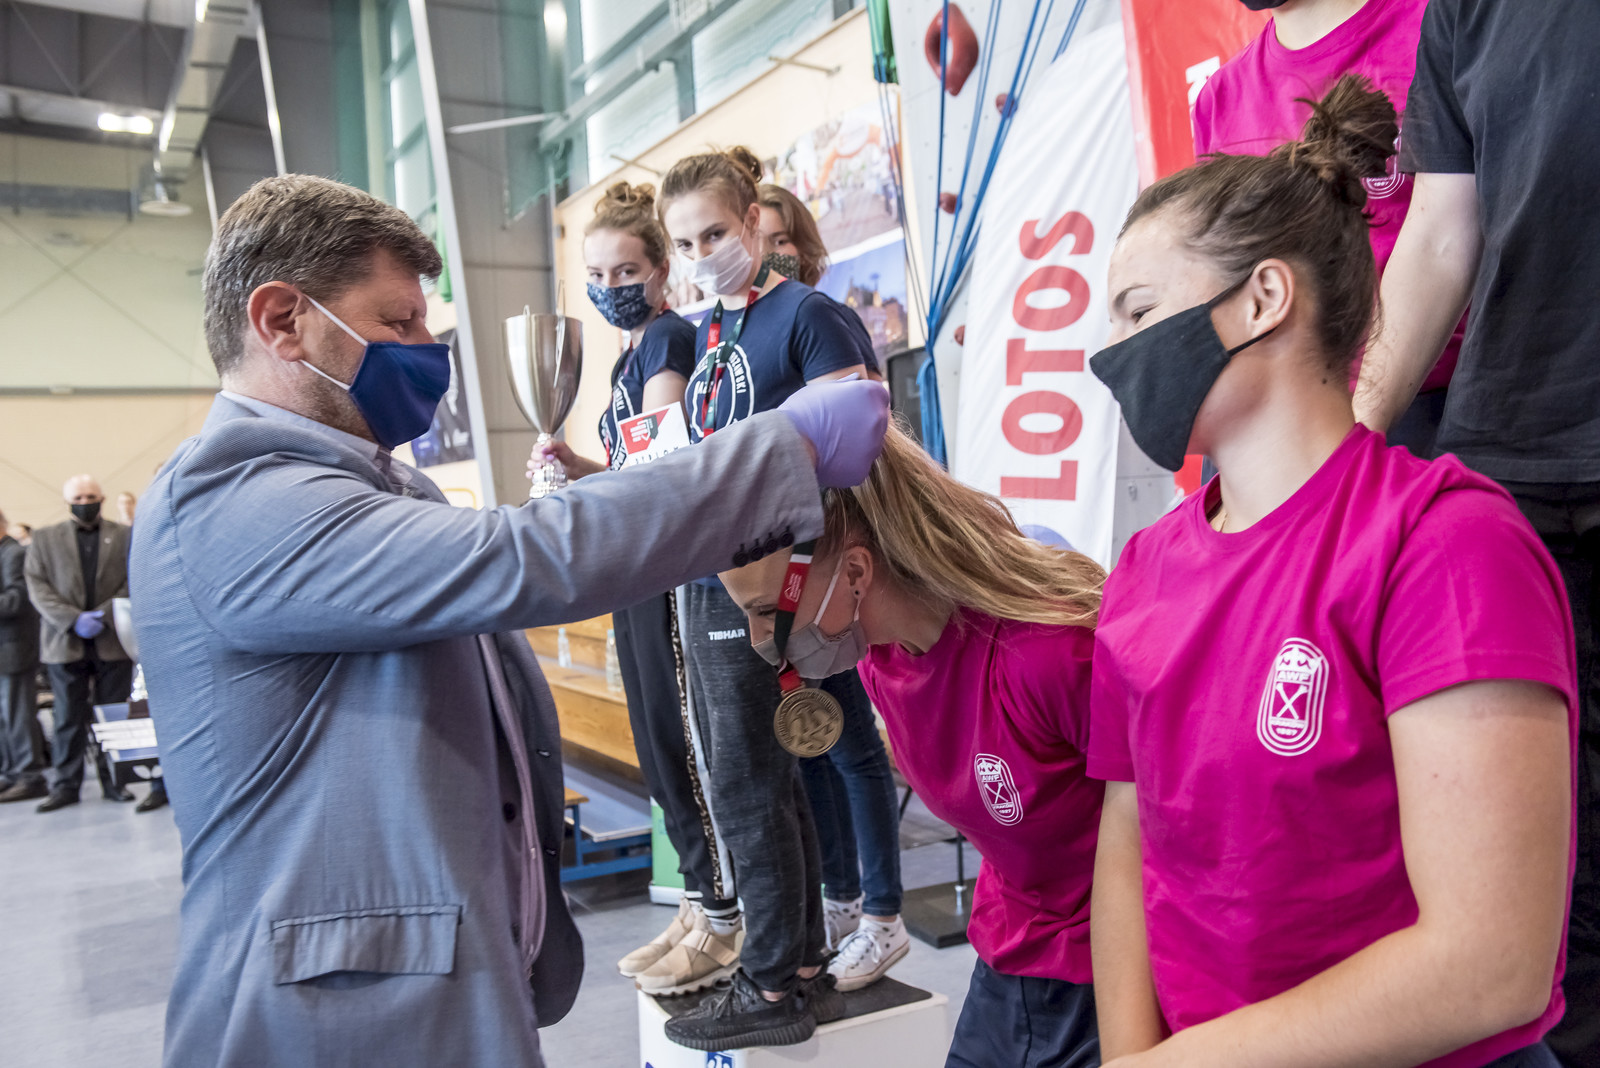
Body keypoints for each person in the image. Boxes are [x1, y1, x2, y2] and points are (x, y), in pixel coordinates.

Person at [127, 174, 888, 1068]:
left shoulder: (374, 483)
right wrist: (785, 447)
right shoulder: (232, 495)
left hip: (426, 982)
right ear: (283, 321)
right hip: (331, 1016)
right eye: (398, 322)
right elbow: (521, 559)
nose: (427, 351)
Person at [1087, 78, 1574, 1067]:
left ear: (1263, 298)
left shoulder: (1441, 543)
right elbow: (1129, 842)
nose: (1114, 355)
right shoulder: (1144, 571)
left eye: (1139, 310)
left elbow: (1490, 962)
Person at [1351, 5, 1600, 1061]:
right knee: (1551, 865)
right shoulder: (1461, 10)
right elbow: (1440, 229)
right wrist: (1344, 441)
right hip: (1511, 451)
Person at [719, 425, 1105, 1068]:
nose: (761, 639)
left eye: (767, 610)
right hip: (1014, 948)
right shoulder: (884, 664)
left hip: (1112, 966)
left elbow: (1180, 837)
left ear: (856, 571)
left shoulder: (1048, 653)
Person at [654, 145, 882, 1051]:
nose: (700, 254)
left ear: (754, 223)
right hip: (714, 569)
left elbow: (857, 441)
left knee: (750, 784)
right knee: (757, 780)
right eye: (683, 243)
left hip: (776, 578)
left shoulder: (808, 315)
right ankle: (795, 963)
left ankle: (770, 982)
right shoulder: (711, 330)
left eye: (714, 233)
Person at [535, 180, 743, 996]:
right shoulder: (627, 357)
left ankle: (725, 915)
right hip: (635, 563)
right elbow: (628, 466)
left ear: (661, 270)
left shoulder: (667, 339)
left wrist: (600, 490)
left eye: (626, 271)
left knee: (684, 744)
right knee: (658, 749)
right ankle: (699, 901)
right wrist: (578, 468)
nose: (610, 287)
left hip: (670, 572)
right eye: (596, 274)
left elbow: (658, 461)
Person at [755, 179, 906, 982]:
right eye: (758, 239)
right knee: (810, 745)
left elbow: (864, 437)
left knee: (851, 746)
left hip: (832, 551)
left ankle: (883, 914)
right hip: (778, 563)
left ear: (804, 247)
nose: (769, 253)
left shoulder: (819, 318)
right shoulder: (748, 335)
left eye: (781, 239)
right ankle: (842, 897)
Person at [1194, 0, 1460, 456]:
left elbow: (1451, 235)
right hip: (1280, 424)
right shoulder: (1219, 98)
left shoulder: (1436, 27)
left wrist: (1359, 428)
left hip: (1438, 403)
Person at [24, 474, 135, 812]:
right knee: (66, 718)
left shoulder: (123, 535)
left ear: (102, 499)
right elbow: (37, 586)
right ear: (67, 502)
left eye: (90, 497)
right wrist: (73, 619)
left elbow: (132, 577)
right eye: (78, 498)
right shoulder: (44, 538)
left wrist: (103, 615)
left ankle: (115, 781)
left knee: (112, 715)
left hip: (110, 639)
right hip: (64, 642)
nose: (85, 503)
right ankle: (65, 786)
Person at [0, 507, 47, 804]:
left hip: (15, 650)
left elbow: (16, 600)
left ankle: (30, 776)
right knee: (4, 719)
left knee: (17, 716)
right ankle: (11, 773)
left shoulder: (14, 554)